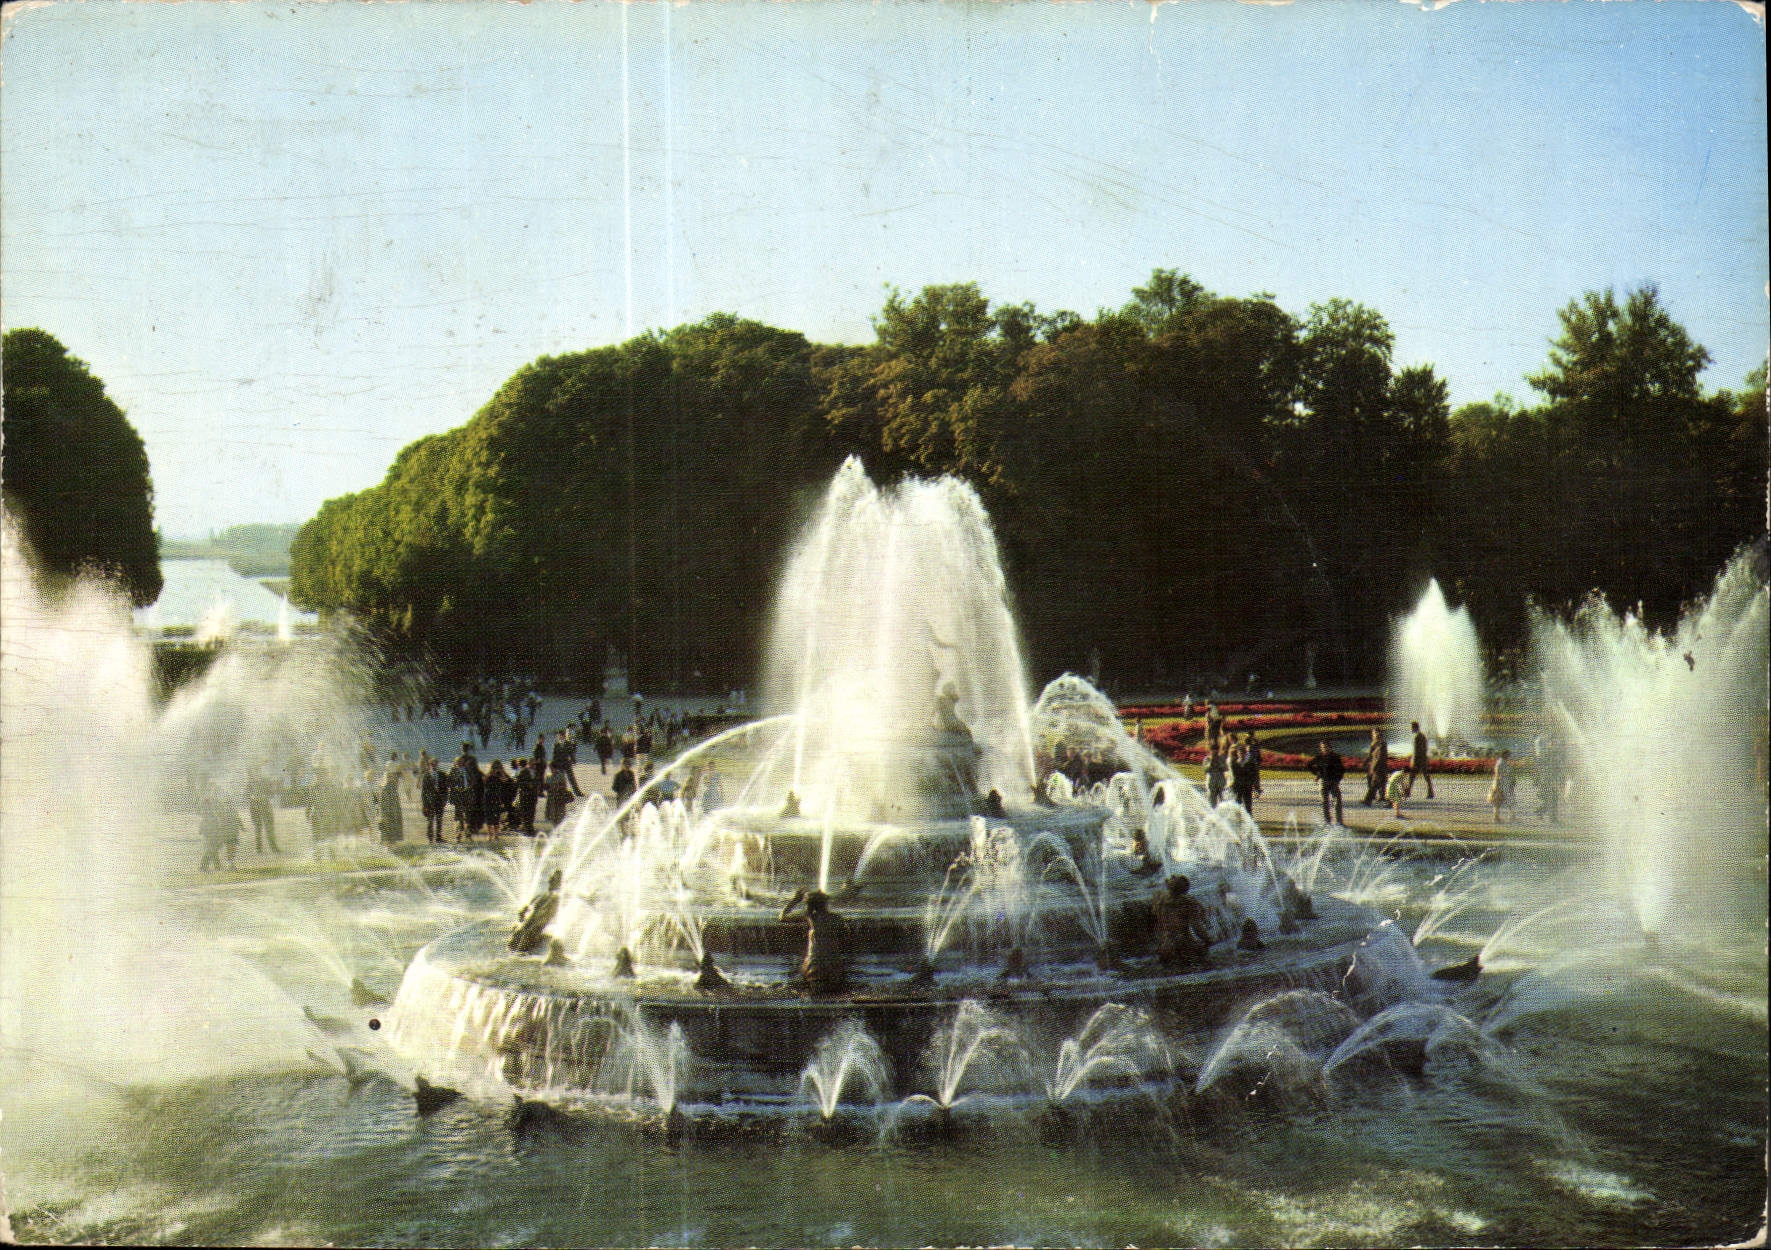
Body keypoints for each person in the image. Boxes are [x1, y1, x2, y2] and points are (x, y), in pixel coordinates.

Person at [780, 887, 848, 992]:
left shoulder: (810, 917)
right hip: (834, 963)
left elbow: (782, 917)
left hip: (814, 964)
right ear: (825, 904)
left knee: (804, 984)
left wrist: (795, 900)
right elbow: (846, 934)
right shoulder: (837, 918)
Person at [1152, 875, 1215, 970]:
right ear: (1185, 888)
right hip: (1183, 945)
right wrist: (1209, 940)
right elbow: (1197, 927)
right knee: (1206, 961)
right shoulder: (1188, 902)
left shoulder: (1160, 900)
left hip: (1163, 947)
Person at [509, 869, 563, 953]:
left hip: (528, 932)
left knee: (517, 952)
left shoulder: (554, 897)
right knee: (515, 950)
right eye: (551, 878)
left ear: (559, 883)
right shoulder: (541, 897)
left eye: (553, 878)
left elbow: (526, 916)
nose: (549, 880)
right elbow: (524, 914)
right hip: (526, 931)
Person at [1307, 741, 1345, 826]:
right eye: (1323, 747)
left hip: (1333, 782)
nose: (1324, 749)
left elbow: (1341, 769)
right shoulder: (1319, 757)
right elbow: (1309, 765)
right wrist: (1317, 773)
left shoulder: (1335, 757)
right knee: (1325, 802)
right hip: (1323, 781)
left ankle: (1339, 822)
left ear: (1330, 747)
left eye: (1326, 747)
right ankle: (1327, 822)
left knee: (1337, 801)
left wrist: (1337, 779)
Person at [246, 765, 279, 854]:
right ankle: (258, 849)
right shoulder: (250, 783)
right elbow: (245, 795)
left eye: (258, 772)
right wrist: (251, 796)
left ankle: (274, 848)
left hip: (265, 807)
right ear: (253, 773)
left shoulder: (266, 781)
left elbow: (272, 793)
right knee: (258, 828)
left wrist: (272, 789)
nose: (257, 774)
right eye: (255, 772)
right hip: (255, 807)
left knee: (269, 828)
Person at [419, 754, 447, 843]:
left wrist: (445, 799)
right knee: (430, 821)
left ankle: (439, 837)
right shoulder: (426, 776)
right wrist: (424, 804)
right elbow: (424, 792)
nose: (434, 766)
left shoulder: (442, 774)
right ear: (429, 765)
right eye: (432, 764)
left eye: (435, 764)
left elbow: (445, 789)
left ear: (438, 764)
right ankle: (430, 838)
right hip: (430, 802)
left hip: (440, 801)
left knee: (439, 820)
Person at [1404, 721, 1435, 799]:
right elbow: (1425, 748)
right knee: (1425, 776)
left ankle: (1407, 792)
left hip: (1418, 760)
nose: (1410, 729)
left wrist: (1413, 761)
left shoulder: (1416, 737)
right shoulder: (1422, 735)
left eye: (1411, 728)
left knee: (1412, 776)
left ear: (1415, 727)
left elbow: (1416, 750)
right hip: (1423, 758)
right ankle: (1430, 792)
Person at [1363, 727, 1390, 807]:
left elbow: (1380, 758)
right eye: (1373, 733)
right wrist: (1367, 762)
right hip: (1377, 766)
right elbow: (1371, 755)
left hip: (1379, 767)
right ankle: (1381, 797)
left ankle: (1368, 800)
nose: (1373, 735)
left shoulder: (1381, 745)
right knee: (1379, 782)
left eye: (1374, 733)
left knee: (1375, 784)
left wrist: (1374, 767)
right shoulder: (1375, 743)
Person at [1488, 748, 1517, 824]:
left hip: (1505, 784)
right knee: (1500, 801)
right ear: (1504, 755)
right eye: (1509, 755)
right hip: (1501, 784)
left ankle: (1509, 816)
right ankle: (1498, 817)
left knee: (1506, 801)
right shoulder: (1501, 763)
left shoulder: (1503, 762)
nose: (1510, 756)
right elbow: (1498, 775)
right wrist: (1497, 786)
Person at [378, 766, 404, 846]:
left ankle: (393, 844)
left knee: (393, 828)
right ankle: (388, 845)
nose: (392, 779)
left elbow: (396, 801)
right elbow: (383, 803)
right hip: (388, 812)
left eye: (393, 777)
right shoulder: (385, 789)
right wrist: (384, 814)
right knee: (388, 829)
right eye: (389, 777)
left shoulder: (394, 787)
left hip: (394, 811)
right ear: (386, 778)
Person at [1204, 737, 1228, 808]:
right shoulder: (1207, 759)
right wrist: (1211, 762)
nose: (1215, 751)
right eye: (1213, 750)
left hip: (1221, 782)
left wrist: (1219, 762)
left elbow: (1226, 768)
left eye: (1216, 750)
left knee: (1223, 802)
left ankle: (1223, 816)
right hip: (1211, 783)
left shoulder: (1222, 758)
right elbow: (1205, 770)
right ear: (1210, 750)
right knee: (1212, 803)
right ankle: (1214, 816)